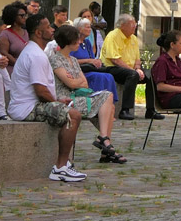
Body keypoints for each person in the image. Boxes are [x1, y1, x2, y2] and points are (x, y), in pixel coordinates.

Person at [8, 13, 87, 182]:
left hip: (30, 105)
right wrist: (57, 101)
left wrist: (57, 100)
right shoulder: (35, 55)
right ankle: (60, 167)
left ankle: (65, 164)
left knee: (71, 110)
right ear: (38, 33)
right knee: (73, 115)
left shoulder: (34, 51)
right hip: (26, 109)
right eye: (48, 27)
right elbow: (40, 90)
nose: (52, 30)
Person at [49, 24, 125, 163]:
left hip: (79, 96)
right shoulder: (56, 59)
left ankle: (105, 145)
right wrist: (75, 81)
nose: (80, 42)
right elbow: (71, 84)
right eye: (76, 40)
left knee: (110, 106)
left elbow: (84, 83)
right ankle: (105, 142)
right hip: (66, 99)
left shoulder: (72, 60)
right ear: (68, 42)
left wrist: (75, 80)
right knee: (107, 97)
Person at [102, 14, 161, 120]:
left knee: (151, 74)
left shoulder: (133, 38)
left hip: (130, 69)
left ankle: (151, 110)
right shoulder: (113, 36)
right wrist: (133, 70)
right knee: (132, 75)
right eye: (132, 24)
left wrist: (138, 68)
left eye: (135, 23)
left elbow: (137, 58)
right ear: (122, 25)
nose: (135, 26)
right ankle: (125, 110)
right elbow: (115, 60)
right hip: (112, 68)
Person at [0, 2, 31, 68]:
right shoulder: (5, 34)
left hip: (28, 67)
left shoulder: (27, 32)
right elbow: (4, 53)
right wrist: (19, 65)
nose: (25, 17)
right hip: (13, 69)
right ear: (13, 16)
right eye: (22, 15)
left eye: (25, 15)